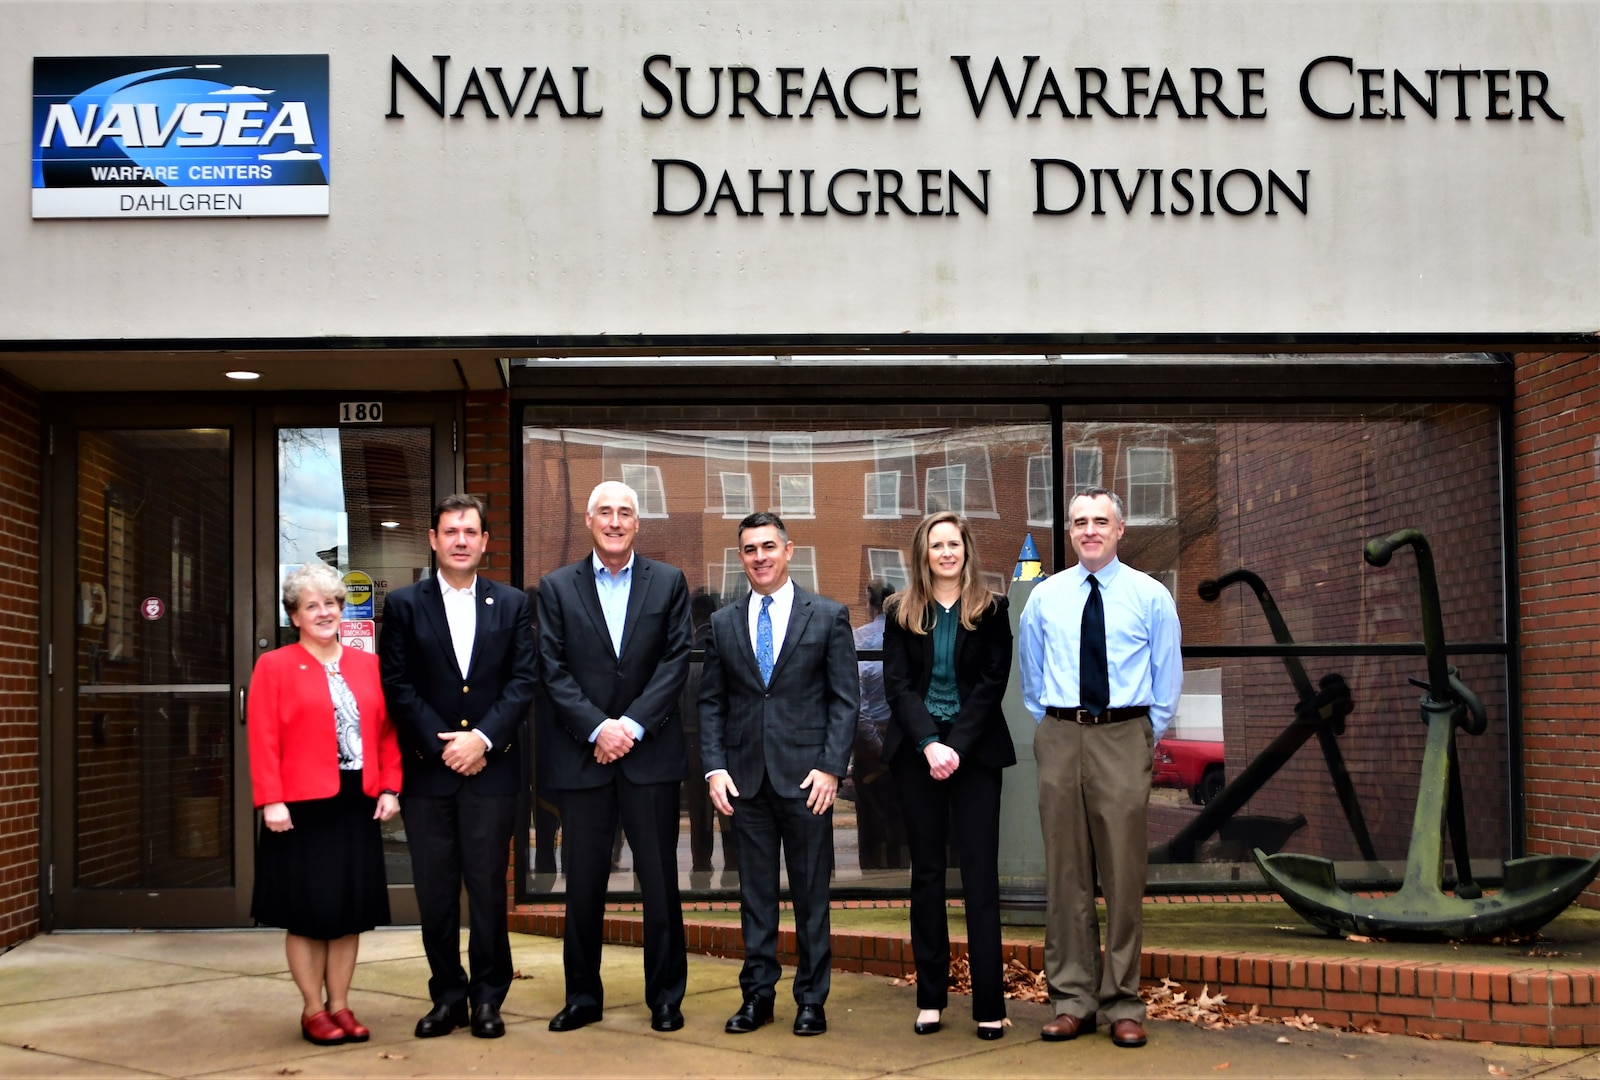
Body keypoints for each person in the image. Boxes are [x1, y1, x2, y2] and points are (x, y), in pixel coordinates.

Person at [1018, 486, 1182, 1050]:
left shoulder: (1151, 596)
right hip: (1061, 734)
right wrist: (1058, 725)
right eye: (1079, 521)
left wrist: (1139, 735)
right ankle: (1072, 1001)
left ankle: (1123, 1004)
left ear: (1120, 530)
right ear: (1069, 531)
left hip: (1124, 735)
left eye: (1100, 521)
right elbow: (1032, 679)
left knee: (1122, 875)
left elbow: (1167, 680)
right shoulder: (1046, 597)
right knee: (1066, 877)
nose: (1089, 530)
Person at [378, 494, 538, 1040]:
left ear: (485, 541)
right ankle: (447, 996)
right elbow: (396, 683)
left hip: (492, 773)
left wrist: (483, 740)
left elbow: (523, 682)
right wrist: (444, 743)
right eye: (451, 531)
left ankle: (489, 999)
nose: (461, 540)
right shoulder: (403, 605)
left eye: (471, 531)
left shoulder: (514, 604)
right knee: (437, 891)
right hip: (428, 772)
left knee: (490, 889)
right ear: (433, 538)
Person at [536, 480, 693, 1033]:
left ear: (637, 524)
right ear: (588, 519)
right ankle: (581, 996)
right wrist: (598, 728)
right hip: (584, 758)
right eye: (606, 511)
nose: (615, 521)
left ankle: (666, 997)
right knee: (581, 884)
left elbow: (676, 661)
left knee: (658, 883)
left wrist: (629, 725)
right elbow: (551, 668)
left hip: (649, 756)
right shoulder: (555, 587)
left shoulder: (669, 582)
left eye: (625, 512)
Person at [699, 511, 858, 1037]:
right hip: (745, 782)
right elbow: (712, 704)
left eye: (769, 546)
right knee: (755, 897)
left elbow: (844, 701)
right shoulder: (723, 623)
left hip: (808, 780)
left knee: (812, 895)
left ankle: (812, 999)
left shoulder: (828, 615)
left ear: (789, 550)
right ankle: (757, 997)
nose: (760, 557)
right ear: (741, 557)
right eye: (750, 549)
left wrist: (832, 767)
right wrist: (714, 769)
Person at [249, 562, 402, 1047]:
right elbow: (263, 739)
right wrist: (271, 800)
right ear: (294, 615)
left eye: (331, 603)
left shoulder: (367, 665)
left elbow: (386, 732)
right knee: (308, 912)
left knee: (348, 912)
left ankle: (340, 1004)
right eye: (312, 605)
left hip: (354, 803)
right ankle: (313, 1009)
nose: (324, 612)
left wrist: (390, 787)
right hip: (298, 809)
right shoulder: (273, 666)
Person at [881, 511, 1015, 1040]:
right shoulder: (900, 611)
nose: (945, 552)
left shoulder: (993, 608)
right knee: (928, 875)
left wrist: (955, 745)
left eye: (953, 543)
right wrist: (929, 743)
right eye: (936, 544)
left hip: (976, 755)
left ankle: (989, 1003)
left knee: (980, 879)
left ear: (967, 549)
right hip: (918, 756)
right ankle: (931, 998)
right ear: (923, 553)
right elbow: (897, 685)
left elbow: (992, 680)